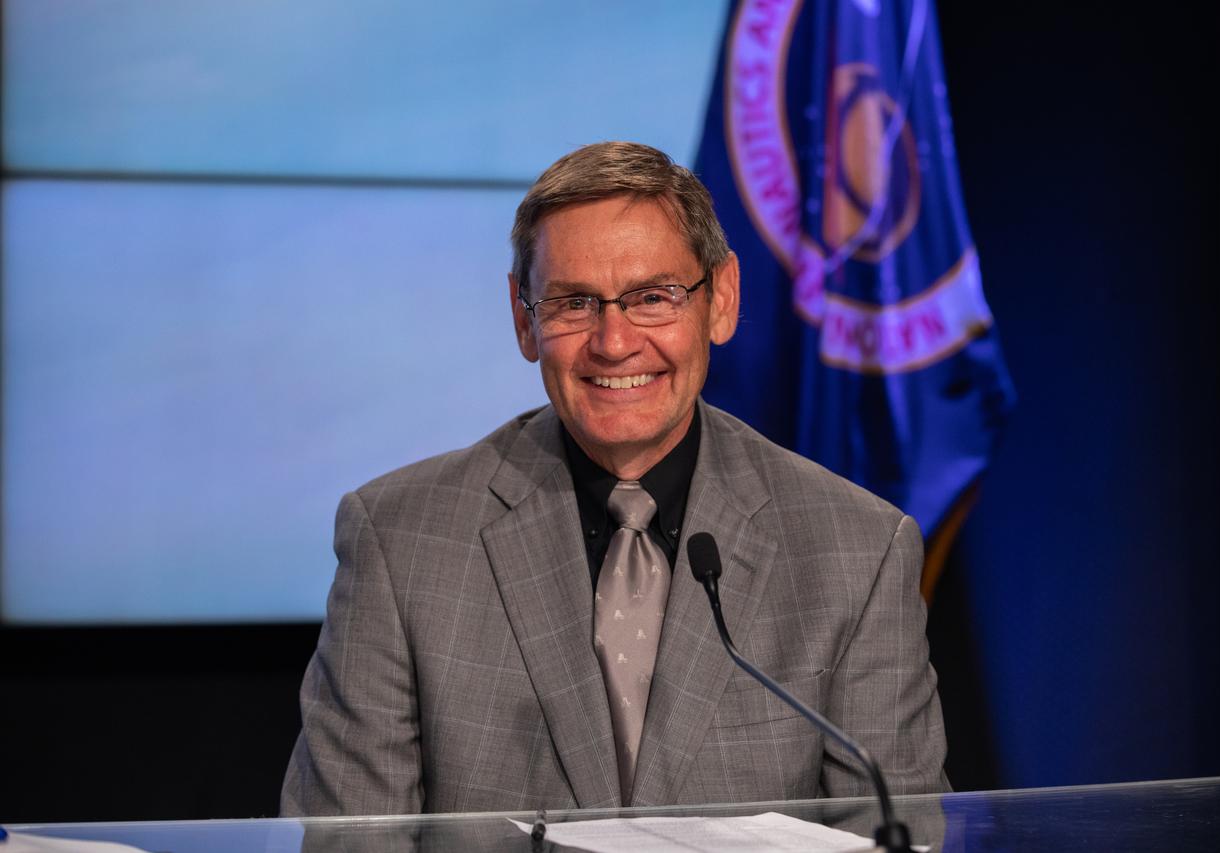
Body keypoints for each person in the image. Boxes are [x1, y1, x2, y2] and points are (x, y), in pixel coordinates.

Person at [281, 141, 947, 817]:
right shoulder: (401, 543)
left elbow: (896, 831)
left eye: (653, 297)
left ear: (721, 299)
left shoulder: (856, 551)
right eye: (574, 303)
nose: (614, 341)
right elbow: (349, 841)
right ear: (523, 318)